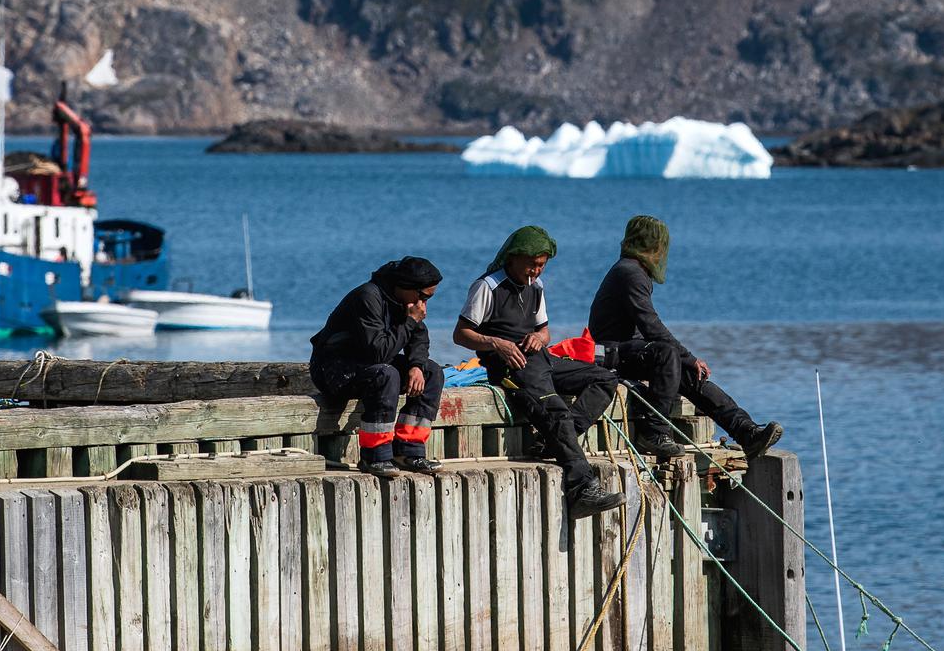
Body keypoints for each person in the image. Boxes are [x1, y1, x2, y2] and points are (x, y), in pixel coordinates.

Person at [452, 226, 625, 520]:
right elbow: (461, 334)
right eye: (532, 263)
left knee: (604, 377)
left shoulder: (537, 286)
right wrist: (496, 344)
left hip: (543, 360)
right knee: (554, 410)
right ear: (513, 257)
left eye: (542, 264)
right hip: (513, 367)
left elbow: (544, 330)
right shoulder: (487, 286)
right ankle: (582, 487)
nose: (536, 270)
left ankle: (553, 440)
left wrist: (540, 338)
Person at [589, 215, 783, 460]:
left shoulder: (632, 271)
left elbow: (649, 332)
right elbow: (652, 326)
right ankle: (654, 432)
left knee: (690, 374)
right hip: (609, 354)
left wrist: (687, 363)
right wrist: (688, 357)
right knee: (668, 354)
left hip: (632, 350)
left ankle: (746, 431)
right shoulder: (630, 273)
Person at [310, 256, 446, 477]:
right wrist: (410, 321)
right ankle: (375, 457)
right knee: (387, 374)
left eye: (429, 298)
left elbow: (419, 339)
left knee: (432, 372)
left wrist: (416, 366)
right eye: (422, 296)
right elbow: (378, 351)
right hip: (334, 368)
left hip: (368, 365)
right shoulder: (368, 297)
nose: (423, 304)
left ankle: (409, 452)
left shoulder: (405, 303)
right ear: (406, 286)